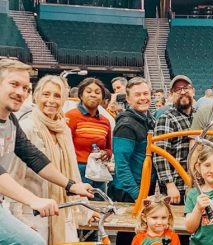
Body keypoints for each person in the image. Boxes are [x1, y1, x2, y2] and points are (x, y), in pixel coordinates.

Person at [0, 58, 93, 245]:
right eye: (14, 84)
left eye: (26, 88)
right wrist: (33, 200)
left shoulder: (11, 122)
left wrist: (71, 185)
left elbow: (33, 156)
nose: (20, 92)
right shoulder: (27, 123)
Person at [112, 77, 157, 244]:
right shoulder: (126, 125)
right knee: (128, 235)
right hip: (130, 191)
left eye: (146, 93)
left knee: (142, 235)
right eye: (137, 95)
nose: (143, 97)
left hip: (145, 187)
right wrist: (139, 196)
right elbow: (121, 167)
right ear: (129, 99)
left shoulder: (148, 120)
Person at [66, 78, 112, 199]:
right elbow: (64, 146)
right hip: (77, 171)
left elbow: (109, 148)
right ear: (81, 95)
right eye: (89, 91)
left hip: (98, 172)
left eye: (97, 92)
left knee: (100, 208)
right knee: (79, 209)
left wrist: (105, 153)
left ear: (102, 97)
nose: (93, 95)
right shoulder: (71, 116)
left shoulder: (105, 121)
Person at [154, 75, 195, 205]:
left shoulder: (199, 116)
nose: (183, 92)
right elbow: (160, 155)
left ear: (193, 91)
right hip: (177, 187)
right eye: (177, 89)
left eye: (186, 88)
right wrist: (170, 186)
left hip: (197, 187)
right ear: (171, 95)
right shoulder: (166, 118)